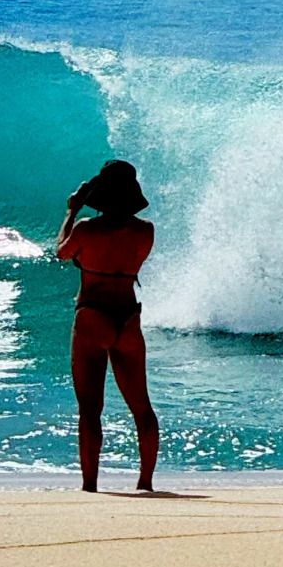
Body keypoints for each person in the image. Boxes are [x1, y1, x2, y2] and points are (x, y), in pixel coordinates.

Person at [54, 158, 160, 493]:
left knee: (90, 409)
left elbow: (61, 253)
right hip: (128, 319)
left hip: (92, 316)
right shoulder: (146, 231)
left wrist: (72, 210)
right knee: (141, 406)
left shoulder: (86, 228)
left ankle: (90, 484)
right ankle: (145, 482)